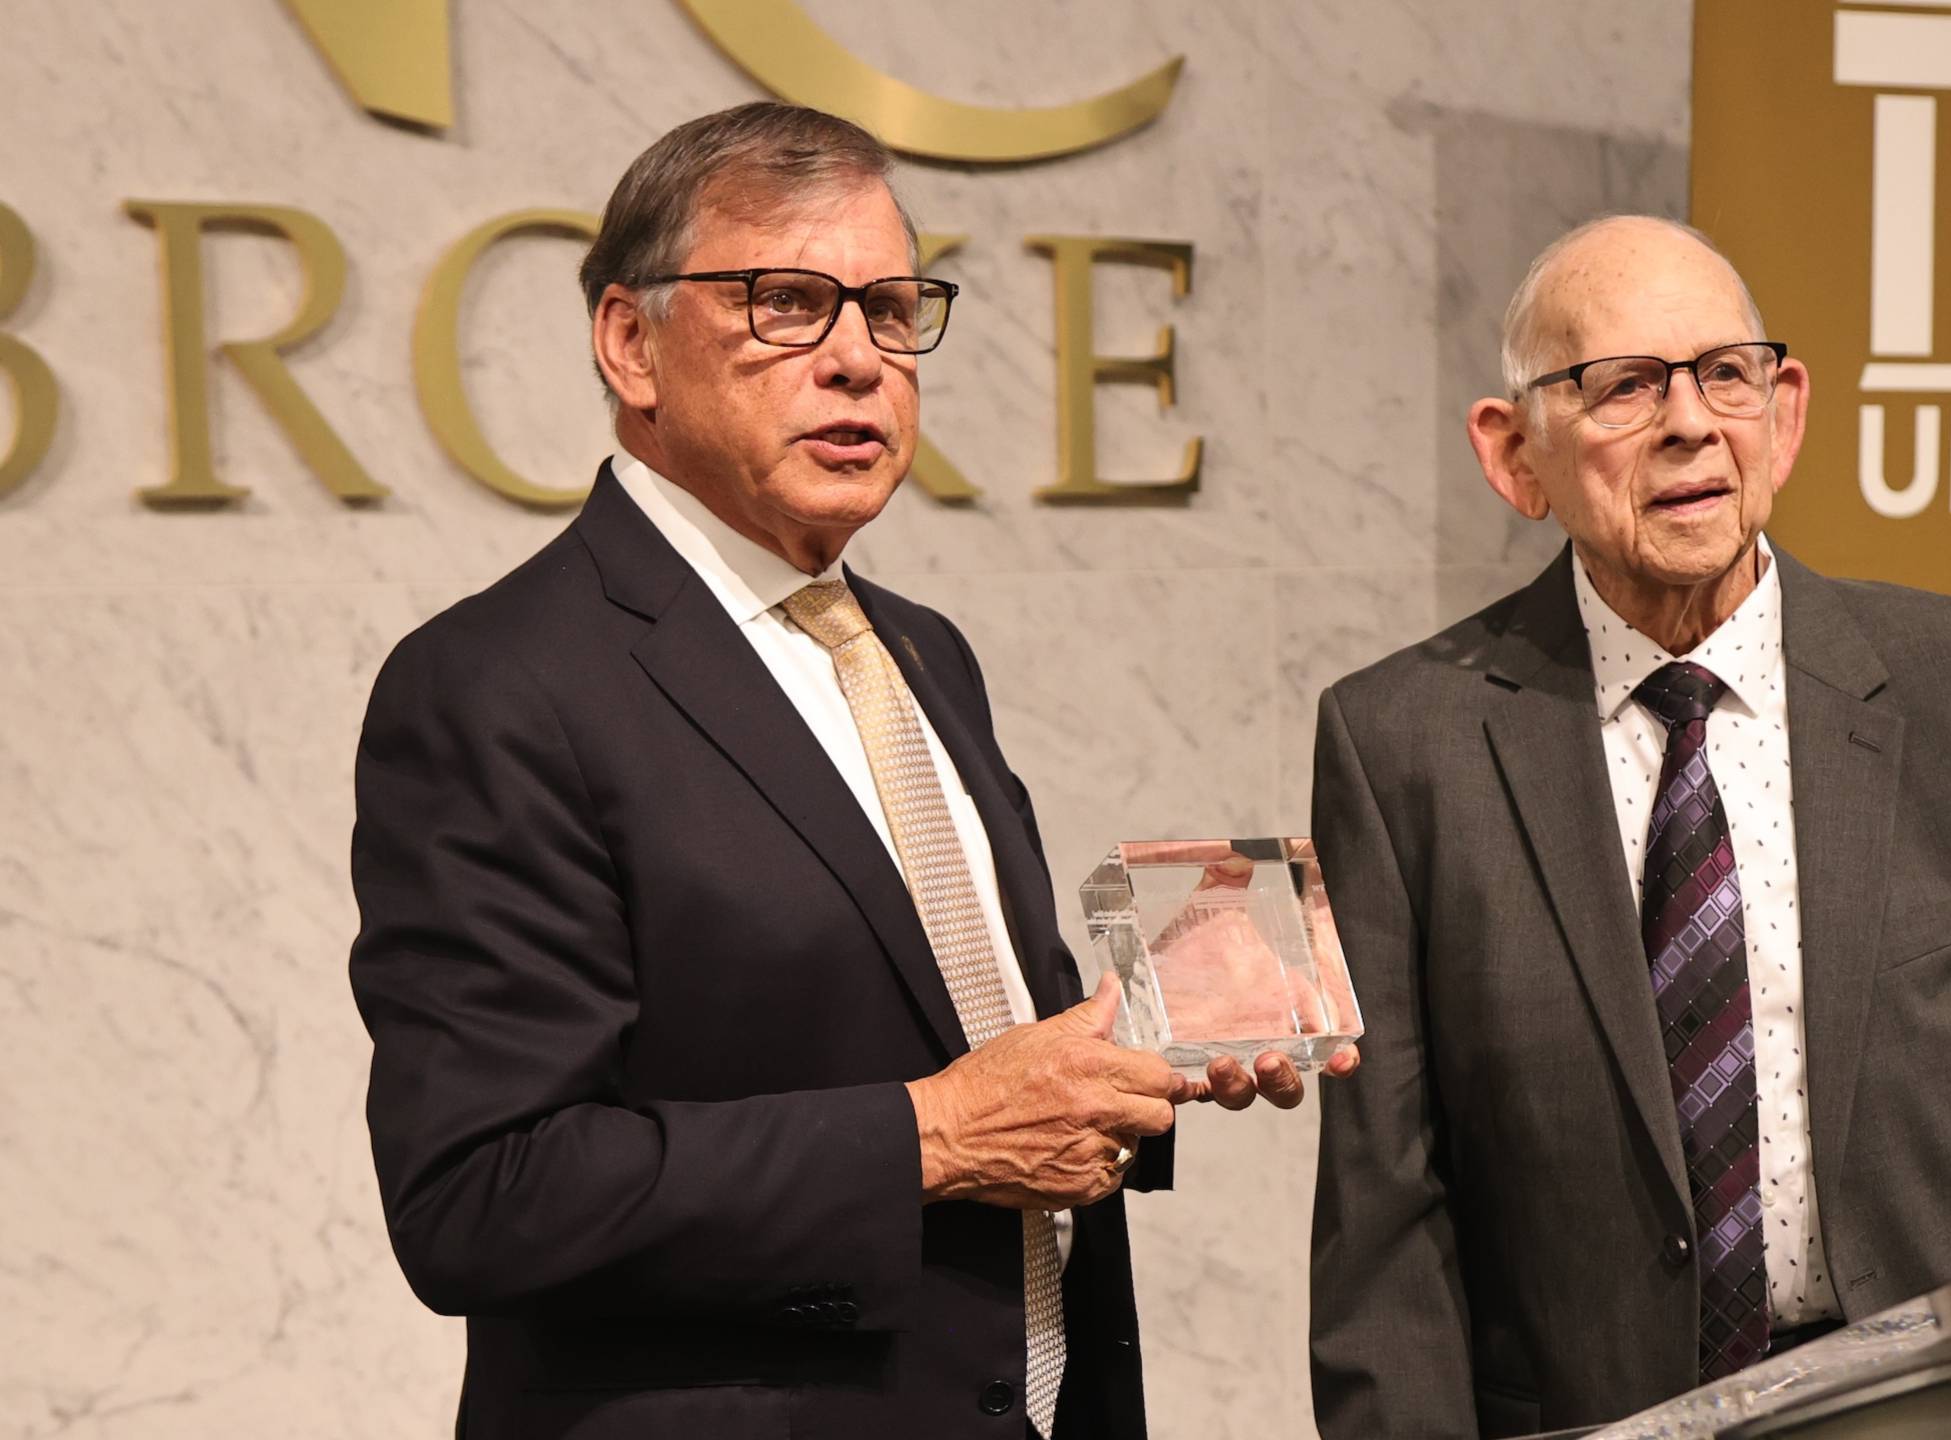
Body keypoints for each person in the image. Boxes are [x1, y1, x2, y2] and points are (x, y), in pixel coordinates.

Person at [348, 102, 1343, 1440]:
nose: (859, 362)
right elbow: (481, 1194)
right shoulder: (496, 684)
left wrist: (1155, 1044)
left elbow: (975, 1057)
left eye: (888, 309)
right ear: (629, 342)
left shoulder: (919, 649)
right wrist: (932, 1137)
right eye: (788, 304)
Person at [1306, 215, 1951, 1440]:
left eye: (1725, 374)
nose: (1689, 423)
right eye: (1623, 386)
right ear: (1515, 455)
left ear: (1784, 410)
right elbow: (1385, 1198)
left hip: (1948, 1404)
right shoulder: (1401, 745)